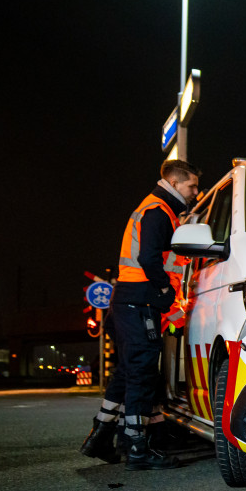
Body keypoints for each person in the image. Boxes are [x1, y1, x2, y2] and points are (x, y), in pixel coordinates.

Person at [80, 159, 201, 470]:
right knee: (142, 373)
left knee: (126, 372)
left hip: (129, 301)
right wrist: (163, 290)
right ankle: (137, 448)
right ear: (175, 184)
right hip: (140, 301)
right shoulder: (158, 211)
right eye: (192, 186)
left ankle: (100, 436)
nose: (196, 193)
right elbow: (149, 258)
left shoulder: (156, 208)